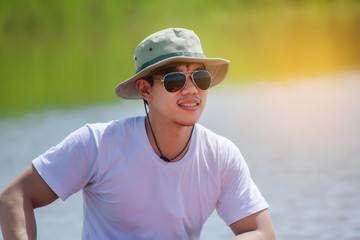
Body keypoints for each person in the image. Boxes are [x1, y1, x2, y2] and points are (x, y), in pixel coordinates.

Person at [0, 28, 276, 240]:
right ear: (145, 90)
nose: (191, 90)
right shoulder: (98, 144)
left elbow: (262, 233)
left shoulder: (221, 155)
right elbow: (14, 197)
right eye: (175, 80)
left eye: (200, 78)